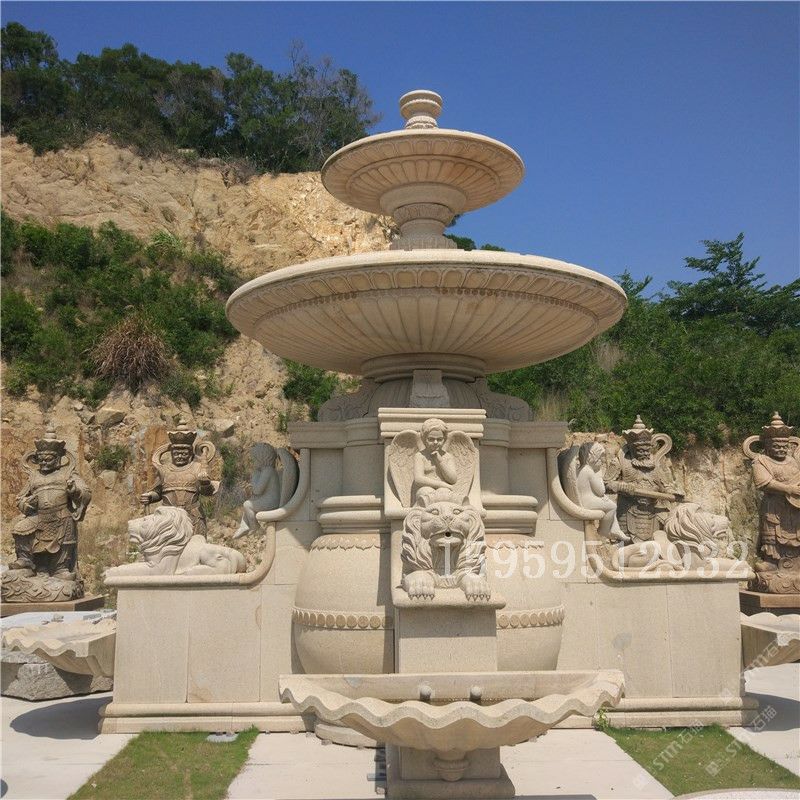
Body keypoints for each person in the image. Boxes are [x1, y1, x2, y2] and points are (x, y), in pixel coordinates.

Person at [10, 425, 91, 579]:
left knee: (67, 526)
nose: (44, 463)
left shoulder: (67, 473)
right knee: (20, 527)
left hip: (61, 515)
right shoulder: (34, 476)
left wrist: (73, 490)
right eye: (41, 460)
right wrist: (27, 504)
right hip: (39, 516)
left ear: (58, 458)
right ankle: (26, 561)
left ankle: (60, 567)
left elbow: (85, 492)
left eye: (48, 459)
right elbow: (20, 498)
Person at [140, 420, 217, 535]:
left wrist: (205, 483)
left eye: (184, 453)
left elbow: (207, 493)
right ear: (171, 453)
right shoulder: (164, 470)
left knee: (196, 545)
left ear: (190, 453)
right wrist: (150, 496)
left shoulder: (197, 468)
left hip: (193, 518)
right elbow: (158, 492)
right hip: (168, 520)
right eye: (176, 453)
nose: (180, 456)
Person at [412, 418, 458, 501]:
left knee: (445, 493)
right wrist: (441, 484)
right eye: (431, 439)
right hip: (425, 490)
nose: (435, 442)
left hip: (444, 490)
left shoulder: (447, 456)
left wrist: (440, 461)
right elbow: (418, 479)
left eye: (439, 439)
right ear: (424, 439)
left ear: (444, 439)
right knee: (427, 492)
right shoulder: (420, 456)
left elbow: (453, 479)